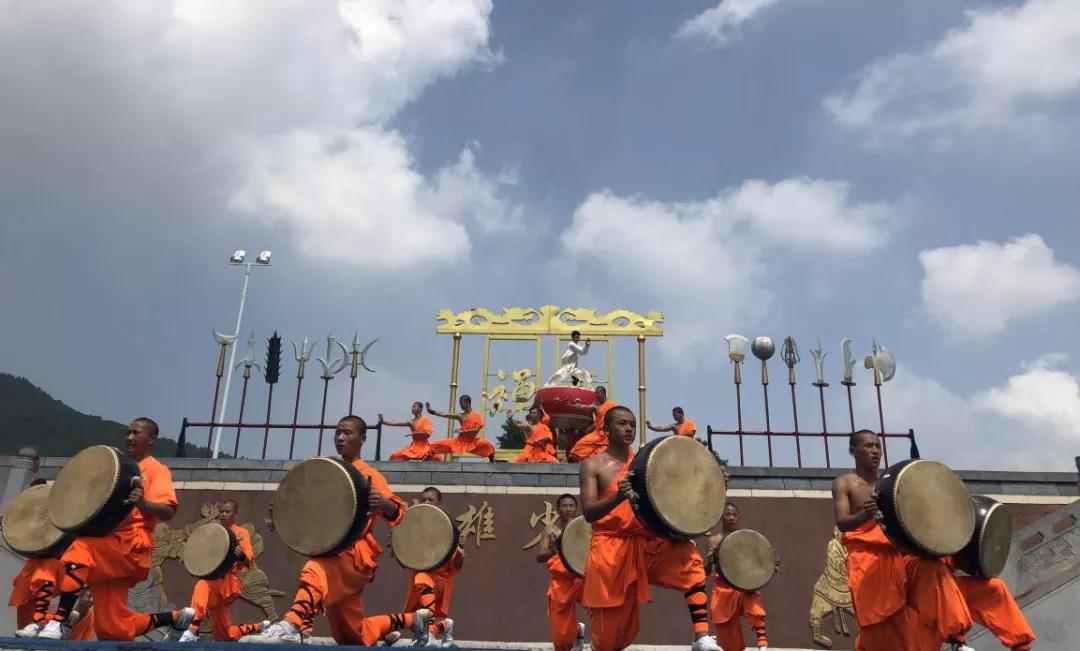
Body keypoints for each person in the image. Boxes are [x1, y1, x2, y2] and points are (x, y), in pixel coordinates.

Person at [245, 416, 431, 645]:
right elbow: (312, 514)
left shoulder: (369, 476)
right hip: (331, 550)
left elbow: (398, 512)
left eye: (347, 433)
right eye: (337, 433)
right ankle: (414, 620)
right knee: (352, 635)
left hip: (354, 555)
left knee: (315, 569)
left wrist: (383, 503)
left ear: (362, 438)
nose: (340, 438)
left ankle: (293, 625)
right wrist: (285, 517)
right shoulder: (327, 470)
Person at [579, 406, 721, 651]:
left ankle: (701, 637)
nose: (629, 429)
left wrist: (710, 482)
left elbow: (673, 495)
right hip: (611, 549)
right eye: (622, 423)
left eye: (632, 424)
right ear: (606, 429)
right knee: (610, 638)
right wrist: (618, 496)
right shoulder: (592, 465)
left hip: (648, 542)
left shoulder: (646, 462)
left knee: (689, 561)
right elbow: (589, 512)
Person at [39, 418, 195, 640]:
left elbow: (168, 511)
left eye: (136, 433)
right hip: (108, 547)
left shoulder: (156, 470)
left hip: (130, 547)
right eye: (128, 432)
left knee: (80, 548)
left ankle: (60, 622)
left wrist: (142, 503)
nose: (130, 437)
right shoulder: (116, 466)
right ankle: (176, 617)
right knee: (112, 629)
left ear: (151, 439)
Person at [832, 429, 973, 651]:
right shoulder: (844, 483)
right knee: (884, 620)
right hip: (867, 558)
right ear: (853, 451)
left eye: (878, 446)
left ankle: (957, 640)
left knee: (932, 568)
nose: (875, 451)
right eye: (868, 446)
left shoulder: (891, 482)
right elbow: (843, 522)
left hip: (899, 552)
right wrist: (866, 513)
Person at [10, 480, 94, 641]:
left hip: (64, 632)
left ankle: (59, 625)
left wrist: (78, 613)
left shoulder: (79, 554)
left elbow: (84, 604)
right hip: (33, 626)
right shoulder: (36, 567)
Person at [178, 499, 266, 642]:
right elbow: (201, 552)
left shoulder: (241, 532)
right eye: (222, 511)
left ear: (235, 514)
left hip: (228, 583)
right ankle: (259, 627)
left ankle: (193, 628)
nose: (223, 514)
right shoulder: (212, 530)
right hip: (214, 583)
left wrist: (241, 555)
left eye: (227, 512)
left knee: (202, 585)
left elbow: (249, 561)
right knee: (224, 636)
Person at [387, 486, 463, 647]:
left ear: (439, 504)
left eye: (431, 499)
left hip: (439, 580)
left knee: (422, 585)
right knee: (416, 619)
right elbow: (406, 563)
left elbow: (456, 565)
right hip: (418, 580)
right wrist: (398, 547)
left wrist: (459, 551)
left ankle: (429, 633)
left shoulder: (449, 528)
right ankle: (444, 626)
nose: (426, 502)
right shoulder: (415, 528)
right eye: (424, 499)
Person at [704, 502, 770, 651]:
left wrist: (770, 565)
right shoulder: (713, 540)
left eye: (734, 515)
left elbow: (758, 563)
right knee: (730, 646)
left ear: (739, 517)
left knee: (752, 596)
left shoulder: (746, 538)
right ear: (722, 518)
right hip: (721, 592)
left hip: (741, 588)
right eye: (728, 514)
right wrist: (709, 560)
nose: (732, 517)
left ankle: (762, 643)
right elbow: (706, 572)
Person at [536, 493, 586, 651]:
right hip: (560, 584)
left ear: (576, 509)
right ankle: (577, 632)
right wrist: (554, 549)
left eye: (571, 506)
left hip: (581, 579)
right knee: (561, 636)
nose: (568, 509)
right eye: (564, 506)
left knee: (602, 608)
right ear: (558, 510)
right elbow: (540, 557)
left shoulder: (583, 529)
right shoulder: (550, 530)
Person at [950, 566, 1036, 650]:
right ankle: (957, 644)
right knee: (947, 593)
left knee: (995, 588)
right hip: (943, 590)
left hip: (950, 580)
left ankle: (1021, 647)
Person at [426, 395, 496, 462]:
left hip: (471, 442)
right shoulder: (460, 416)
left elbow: (476, 429)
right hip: (458, 442)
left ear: (467, 402)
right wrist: (432, 412)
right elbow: (445, 414)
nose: (461, 405)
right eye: (460, 403)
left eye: (461, 403)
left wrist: (462, 431)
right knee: (437, 444)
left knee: (487, 444)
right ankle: (427, 457)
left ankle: (492, 459)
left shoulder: (477, 415)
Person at [567, 386, 617, 462]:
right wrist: (570, 405)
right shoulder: (595, 406)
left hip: (608, 434)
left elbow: (617, 418)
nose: (596, 395)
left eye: (598, 393)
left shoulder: (612, 405)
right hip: (597, 434)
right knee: (579, 445)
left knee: (601, 454)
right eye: (595, 393)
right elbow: (581, 406)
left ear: (603, 393)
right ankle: (574, 460)